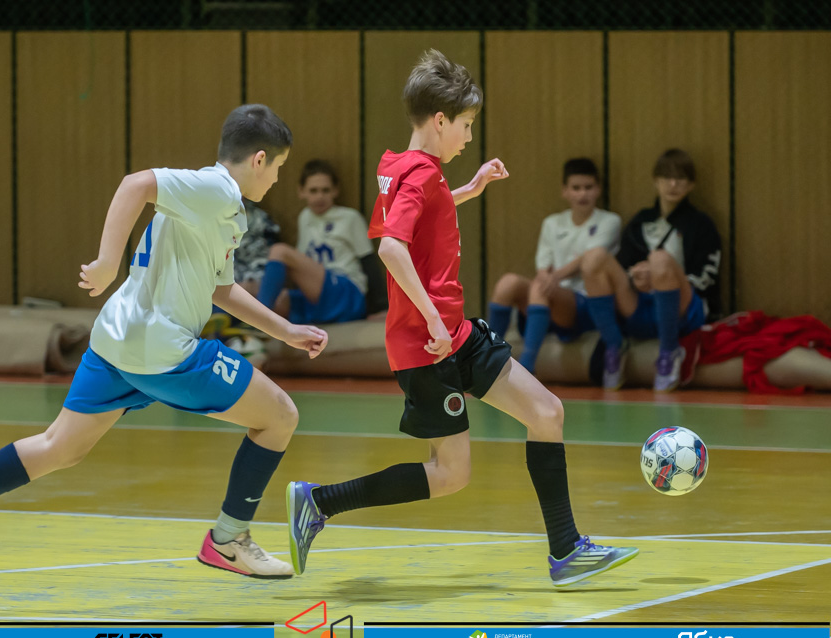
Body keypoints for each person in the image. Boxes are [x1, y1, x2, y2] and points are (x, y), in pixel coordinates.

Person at [0, 104, 328, 586]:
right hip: (163, 351)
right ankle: (228, 538)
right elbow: (135, 184)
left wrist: (286, 331)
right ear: (259, 159)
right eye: (279, 167)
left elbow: (220, 289)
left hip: (117, 341)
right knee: (279, 416)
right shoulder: (215, 189)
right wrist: (108, 262)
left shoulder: (221, 208)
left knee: (59, 447)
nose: (277, 178)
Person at [284, 49, 637, 588]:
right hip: (428, 343)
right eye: (466, 125)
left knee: (547, 412)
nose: (470, 136)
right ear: (440, 120)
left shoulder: (400, 167)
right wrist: (430, 317)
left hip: (456, 334)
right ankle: (320, 502)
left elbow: (420, 213)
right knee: (451, 475)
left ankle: (566, 551)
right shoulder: (419, 174)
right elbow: (391, 249)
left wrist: (469, 189)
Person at [581, 148, 721, 391]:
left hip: (683, 308)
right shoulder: (641, 221)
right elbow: (623, 266)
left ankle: (669, 352)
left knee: (659, 259)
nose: (673, 184)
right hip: (641, 305)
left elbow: (708, 277)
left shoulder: (701, 224)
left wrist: (660, 275)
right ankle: (614, 346)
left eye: (681, 178)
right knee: (594, 258)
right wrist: (636, 278)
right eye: (667, 177)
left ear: (691, 185)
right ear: (656, 181)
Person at [487, 158, 621, 373]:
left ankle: (527, 367)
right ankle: (487, 358)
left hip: (586, 302)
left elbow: (587, 259)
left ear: (598, 189)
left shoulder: (609, 221)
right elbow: (543, 266)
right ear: (564, 191)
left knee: (539, 288)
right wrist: (546, 279)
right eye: (576, 188)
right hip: (550, 297)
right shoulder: (552, 223)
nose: (582, 194)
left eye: (588, 187)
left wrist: (551, 279)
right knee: (507, 283)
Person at [255, 159, 376, 324]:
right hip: (318, 294)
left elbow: (369, 262)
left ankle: (257, 321)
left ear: (335, 191)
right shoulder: (305, 217)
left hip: (347, 293)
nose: (320, 197)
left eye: (326, 190)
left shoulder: (350, 217)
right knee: (277, 301)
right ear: (301, 192)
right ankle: (235, 329)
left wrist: (379, 308)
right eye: (313, 191)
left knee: (279, 251)